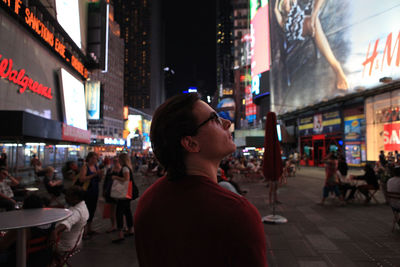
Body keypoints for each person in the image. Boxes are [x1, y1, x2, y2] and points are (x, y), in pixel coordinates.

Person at [134, 93, 267, 266]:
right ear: (191, 144)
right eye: (215, 119)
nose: (227, 123)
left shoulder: (148, 202)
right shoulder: (236, 213)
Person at [273, 0, 348, 90]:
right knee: (311, 23)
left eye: (286, 2)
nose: (285, 4)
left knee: (313, 22)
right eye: (283, 4)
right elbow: (275, 10)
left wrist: (313, 15)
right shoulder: (284, 21)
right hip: (295, 31)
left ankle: (336, 67)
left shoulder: (295, 9)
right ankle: (336, 68)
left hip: (304, 20)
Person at [0, 194, 54, 267]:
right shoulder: (51, 223)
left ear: (24, 208)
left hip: (22, 261)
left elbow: (2, 246)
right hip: (43, 261)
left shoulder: (23, 227)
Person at [52, 186, 89, 258]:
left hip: (64, 246)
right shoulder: (83, 206)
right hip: (75, 242)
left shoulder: (76, 213)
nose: (65, 198)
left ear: (75, 198)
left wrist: (55, 247)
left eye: (68, 196)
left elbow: (58, 229)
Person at [111, 153, 135, 243]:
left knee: (119, 212)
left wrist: (115, 177)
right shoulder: (128, 167)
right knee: (127, 211)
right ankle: (130, 229)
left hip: (123, 194)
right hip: (128, 192)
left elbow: (126, 179)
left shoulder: (125, 168)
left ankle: (120, 233)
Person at [78, 152, 103, 238]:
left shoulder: (96, 167)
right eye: (93, 158)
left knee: (92, 209)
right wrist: (93, 175)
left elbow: (98, 179)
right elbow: (81, 179)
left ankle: (89, 229)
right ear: (89, 158)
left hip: (95, 190)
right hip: (87, 190)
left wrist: (100, 175)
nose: (94, 160)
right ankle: (83, 231)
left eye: (96, 158)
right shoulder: (85, 167)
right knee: (86, 209)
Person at [103, 157, 121, 233]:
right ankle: (113, 225)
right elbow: (106, 181)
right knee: (112, 210)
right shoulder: (110, 170)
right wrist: (104, 191)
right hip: (110, 192)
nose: (115, 162)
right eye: (114, 161)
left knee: (120, 210)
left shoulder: (122, 170)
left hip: (119, 192)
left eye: (117, 161)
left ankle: (121, 225)